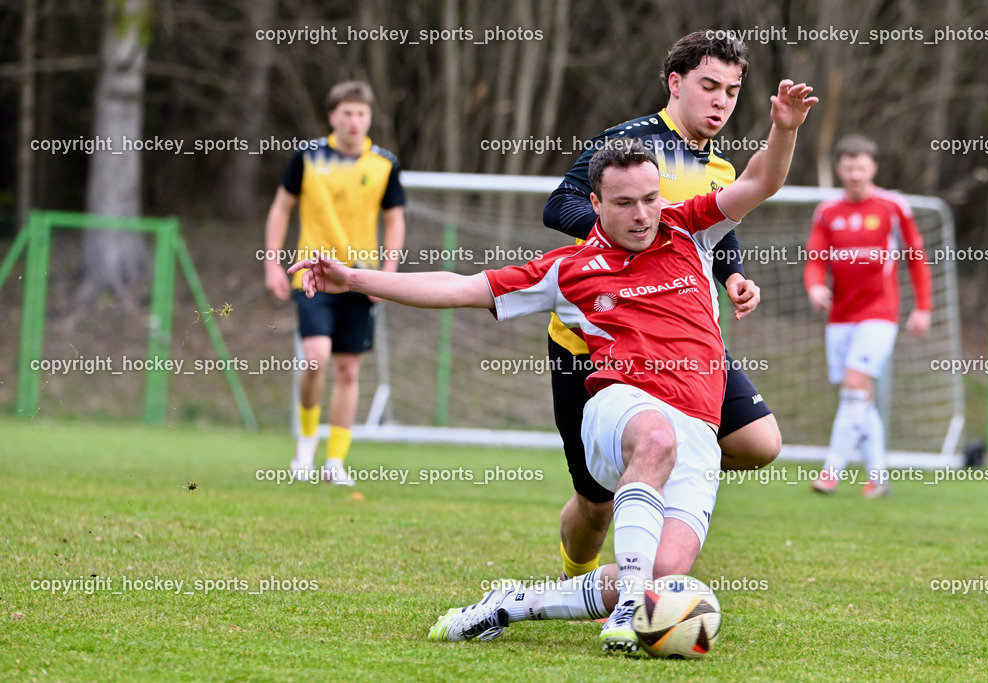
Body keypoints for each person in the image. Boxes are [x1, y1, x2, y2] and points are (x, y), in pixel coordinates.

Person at [290, 80, 816, 652]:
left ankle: (515, 603)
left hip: (698, 429)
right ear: (595, 204)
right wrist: (354, 278)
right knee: (655, 442)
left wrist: (784, 129)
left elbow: (761, 181)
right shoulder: (568, 268)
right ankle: (630, 609)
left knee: (664, 577)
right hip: (621, 408)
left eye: (650, 199)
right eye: (624, 203)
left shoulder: (689, 229)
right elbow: (458, 287)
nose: (642, 215)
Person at [542, 30, 782, 582]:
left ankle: (656, 463)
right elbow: (560, 204)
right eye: (709, 86)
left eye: (732, 91)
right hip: (595, 342)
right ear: (675, 83)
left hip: (682, 340)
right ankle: (578, 579)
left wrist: (734, 276)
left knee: (759, 442)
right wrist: (632, 233)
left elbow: (716, 231)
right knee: (596, 504)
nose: (721, 101)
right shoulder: (629, 145)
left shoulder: (722, 169)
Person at [264, 81, 406, 485]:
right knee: (316, 357)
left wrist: (388, 273)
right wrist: (272, 262)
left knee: (347, 368)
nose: (354, 121)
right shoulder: (307, 156)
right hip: (313, 275)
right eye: (347, 113)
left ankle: (335, 462)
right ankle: (306, 443)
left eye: (361, 113)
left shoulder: (384, 163)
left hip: (361, 278)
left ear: (370, 118)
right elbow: (281, 208)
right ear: (332, 117)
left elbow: (394, 220)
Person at [804, 134, 931, 498]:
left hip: (880, 313)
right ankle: (878, 478)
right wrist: (815, 287)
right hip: (840, 316)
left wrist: (923, 306)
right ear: (839, 169)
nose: (855, 174)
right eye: (849, 168)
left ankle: (831, 472)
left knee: (853, 386)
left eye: (861, 167)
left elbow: (916, 257)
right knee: (860, 397)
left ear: (873, 168)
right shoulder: (827, 211)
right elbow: (815, 259)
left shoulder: (893, 207)